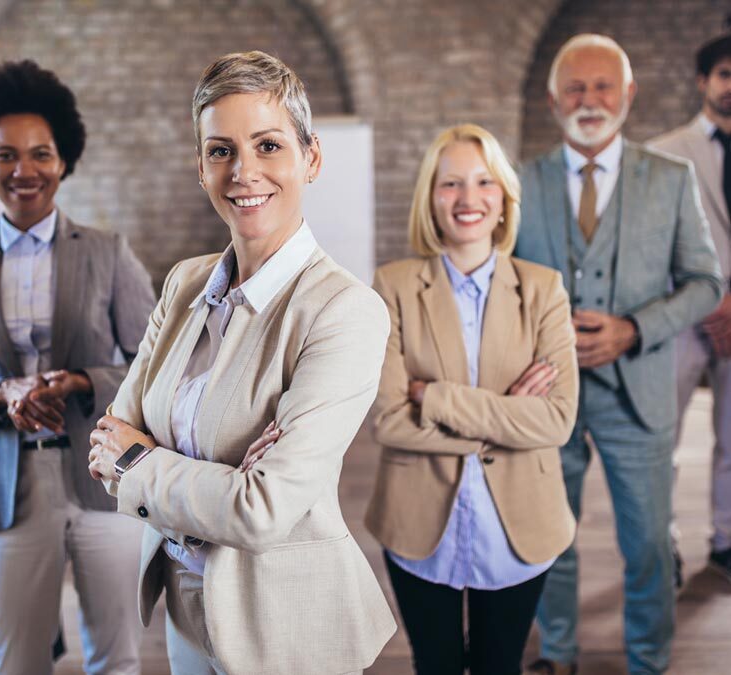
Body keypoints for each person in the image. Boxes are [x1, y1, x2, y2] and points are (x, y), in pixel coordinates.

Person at [87, 50, 396, 675]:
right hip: (185, 596)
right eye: (221, 150)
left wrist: (142, 459)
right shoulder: (184, 283)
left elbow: (261, 510)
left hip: (287, 617)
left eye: (269, 145)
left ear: (310, 157)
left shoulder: (344, 311)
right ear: (201, 168)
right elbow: (105, 443)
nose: (244, 171)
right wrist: (216, 476)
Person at [0, 60, 155, 675]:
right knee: (10, 662)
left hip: (104, 478)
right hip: (7, 488)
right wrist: (2, 394)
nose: (25, 171)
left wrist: (83, 382)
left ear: (64, 160)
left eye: (41, 154)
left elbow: (155, 369)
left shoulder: (107, 252)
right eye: (6, 155)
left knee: (117, 658)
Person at [517, 35, 723, 675]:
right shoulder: (521, 182)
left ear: (628, 95)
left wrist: (634, 328)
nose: (589, 99)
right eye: (574, 88)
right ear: (554, 100)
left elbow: (706, 284)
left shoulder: (671, 178)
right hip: (549, 394)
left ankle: (648, 660)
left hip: (643, 393)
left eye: (603, 85)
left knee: (649, 546)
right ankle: (556, 652)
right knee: (551, 537)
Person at [365, 123, 578, 675]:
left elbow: (556, 420)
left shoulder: (544, 288)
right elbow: (388, 421)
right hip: (417, 521)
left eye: (484, 182)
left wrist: (432, 396)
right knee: (433, 664)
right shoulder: (391, 285)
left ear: (504, 200)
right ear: (430, 200)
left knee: (499, 665)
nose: (468, 199)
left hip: (521, 525)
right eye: (450, 183)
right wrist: (510, 415)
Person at [648, 32, 731, 584]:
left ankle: (726, 541)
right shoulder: (664, 152)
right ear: (703, 81)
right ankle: (663, 544)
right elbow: (653, 244)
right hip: (684, 318)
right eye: (724, 74)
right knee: (663, 438)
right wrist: (708, 301)